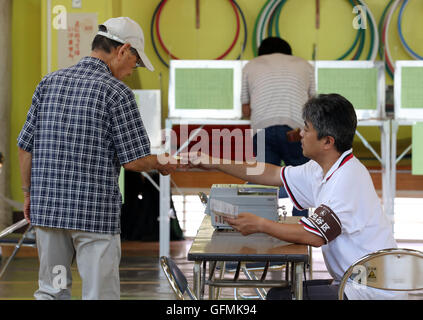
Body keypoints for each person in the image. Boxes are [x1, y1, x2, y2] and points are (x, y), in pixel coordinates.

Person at [17, 17, 177, 300]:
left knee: (51, 291)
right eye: (136, 62)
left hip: (49, 211)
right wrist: (163, 162)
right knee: (99, 295)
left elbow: (25, 147)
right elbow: (135, 161)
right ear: (123, 50)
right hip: (94, 217)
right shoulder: (116, 93)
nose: (131, 71)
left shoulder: (49, 82)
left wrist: (28, 194)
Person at [185, 94, 404, 300]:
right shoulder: (322, 168)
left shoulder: (347, 179)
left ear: (327, 141)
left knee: (280, 297)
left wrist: (260, 224)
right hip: (355, 280)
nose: (300, 133)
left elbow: (313, 237)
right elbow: (271, 173)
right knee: (280, 294)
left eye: (306, 129)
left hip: (372, 289)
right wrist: (213, 161)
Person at [241, 37, 315, 216]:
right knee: (301, 181)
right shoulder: (305, 65)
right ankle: (300, 229)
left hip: (263, 130)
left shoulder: (251, 65)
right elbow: (313, 105)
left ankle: (263, 227)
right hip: (296, 131)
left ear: (262, 53)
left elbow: (245, 109)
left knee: (263, 181)